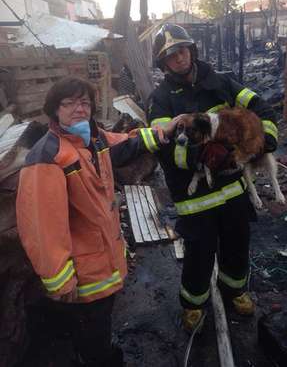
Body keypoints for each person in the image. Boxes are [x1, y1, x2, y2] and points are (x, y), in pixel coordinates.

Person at [16, 77, 177, 366]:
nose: (79, 109)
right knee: (91, 333)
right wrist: (61, 281)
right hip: (82, 274)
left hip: (103, 262)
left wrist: (162, 131)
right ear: (54, 110)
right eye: (69, 103)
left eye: (85, 102)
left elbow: (126, 144)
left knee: (100, 323)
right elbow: (42, 228)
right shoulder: (48, 157)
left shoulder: (94, 139)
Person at [147, 24, 278, 332]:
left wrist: (265, 140)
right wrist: (201, 157)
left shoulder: (220, 83)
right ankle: (193, 304)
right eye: (170, 56)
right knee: (199, 254)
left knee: (237, 244)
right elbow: (165, 149)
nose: (178, 59)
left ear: (191, 51)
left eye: (181, 51)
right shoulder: (161, 99)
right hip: (194, 198)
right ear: (163, 63)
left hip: (233, 189)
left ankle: (235, 290)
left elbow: (261, 107)